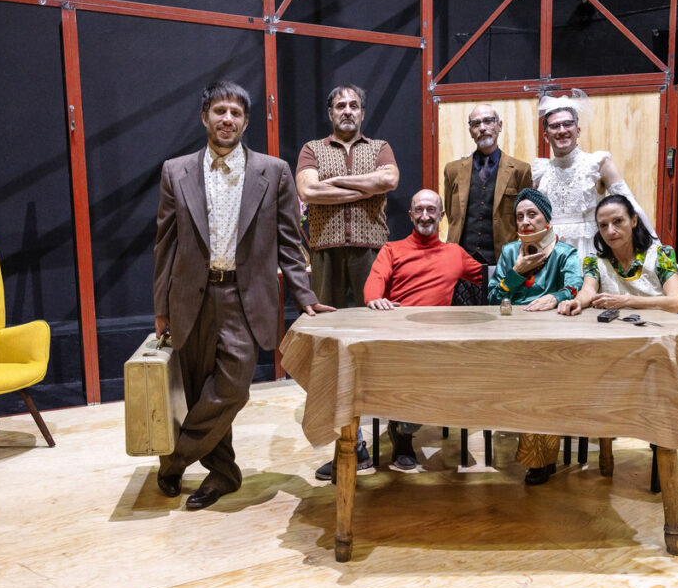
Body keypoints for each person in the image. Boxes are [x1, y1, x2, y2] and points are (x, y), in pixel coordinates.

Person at [153, 81, 334, 509]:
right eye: (220, 111)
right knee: (200, 390)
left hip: (244, 297)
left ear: (246, 121)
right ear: (205, 117)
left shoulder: (274, 171)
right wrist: (161, 307)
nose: (227, 119)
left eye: (236, 112)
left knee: (231, 390)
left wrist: (303, 294)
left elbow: (289, 240)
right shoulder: (175, 171)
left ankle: (174, 459)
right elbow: (165, 243)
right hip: (190, 298)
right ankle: (223, 473)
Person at [557, 194, 678, 480]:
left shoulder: (660, 255)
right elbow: (589, 290)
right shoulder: (595, 261)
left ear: (633, 221)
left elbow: (676, 302)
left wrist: (626, 301)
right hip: (624, 350)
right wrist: (578, 301)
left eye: (618, 221)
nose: (611, 230)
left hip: (667, 340)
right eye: (603, 225)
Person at [296, 84, 399, 480]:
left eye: (354, 104)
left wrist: (334, 184)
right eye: (340, 105)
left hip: (372, 255)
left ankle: (398, 435)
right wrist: (363, 184)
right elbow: (307, 190)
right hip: (325, 255)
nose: (347, 110)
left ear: (362, 111)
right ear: (330, 113)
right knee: (331, 348)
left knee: (382, 344)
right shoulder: (311, 149)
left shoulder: (381, 147)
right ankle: (349, 444)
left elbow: (388, 181)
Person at [364, 189, 483, 469]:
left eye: (431, 210)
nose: (425, 216)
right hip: (399, 340)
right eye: (419, 210)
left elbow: (490, 278)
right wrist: (374, 299)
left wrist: (526, 271)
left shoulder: (455, 253)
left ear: (441, 216)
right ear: (410, 215)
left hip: (440, 342)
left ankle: (404, 427)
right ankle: (397, 434)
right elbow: (374, 282)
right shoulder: (392, 249)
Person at [487, 188, 583, 485]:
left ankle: (540, 457)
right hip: (512, 335)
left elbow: (575, 288)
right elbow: (493, 298)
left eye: (532, 214)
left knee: (540, 381)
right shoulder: (510, 253)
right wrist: (516, 273)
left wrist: (556, 297)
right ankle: (542, 457)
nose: (525, 222)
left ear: (547, 219)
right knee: (529, 380)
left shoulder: (564, 253)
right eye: (520, 217)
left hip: (553, 337)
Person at [533, 90, 656, 259]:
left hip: (592, 252)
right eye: (555, 126)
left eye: (568, 124)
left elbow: (630, 205)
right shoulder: (540, 172)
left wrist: (655, 249)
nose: (562, 130)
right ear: (546, 136)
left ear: (578, 131)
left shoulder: (597, 164)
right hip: (552, 254)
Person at [443, 104, 533, 266]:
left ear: (499, 125)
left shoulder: (520, 170)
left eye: (488, 121)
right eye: (476, 124)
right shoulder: (453, 170)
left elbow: (525, 218)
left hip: (502, 259)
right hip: (461, 259)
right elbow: (451, 214)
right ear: (471, 131)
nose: (482, 128)